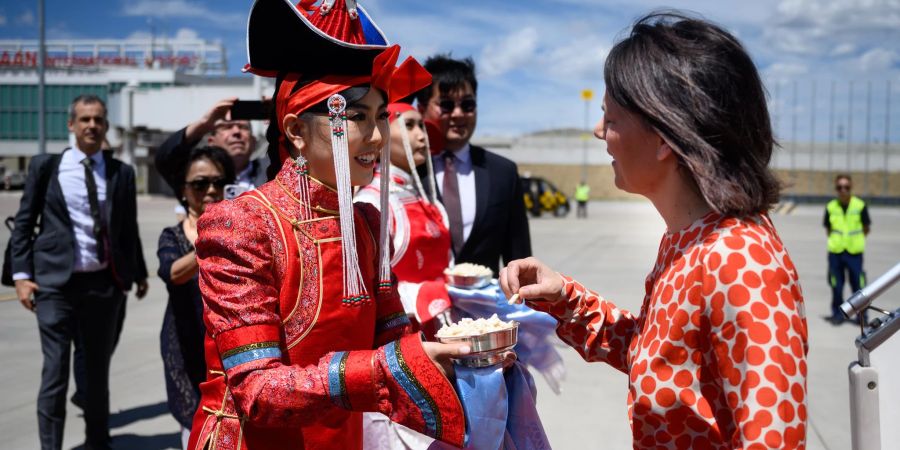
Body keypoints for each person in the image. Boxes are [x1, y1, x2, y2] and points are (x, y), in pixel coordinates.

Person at [500, 13, 809, 449]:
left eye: (610, 118)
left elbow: (772, 440)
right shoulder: (688, 241)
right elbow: (661, 358)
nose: (598, 132)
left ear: (665, 137)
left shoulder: (742, 260)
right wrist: (565, 300)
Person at [187, 2, 468, 449]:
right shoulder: (242, 223)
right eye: (355, 117)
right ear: (297, 130)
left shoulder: (368, 223)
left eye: (380, 117)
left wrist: (461, 348)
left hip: (347, 435)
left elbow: (394, 336)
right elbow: (257, 391)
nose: (377, 139)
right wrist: (389, 368)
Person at [10, 94, 149, 450]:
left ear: (105, 127)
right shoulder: (47, 167)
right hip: (54, 286)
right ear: (71, 125)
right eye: (85, 120)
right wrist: (21, 276)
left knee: (97, 376)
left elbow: (127, 228)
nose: (92, 126)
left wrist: (139, 273)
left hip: (103, 286)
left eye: (98, 120)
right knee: (55, 373)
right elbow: (24, 225)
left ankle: (97, 443)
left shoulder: (121, 172)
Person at [416, 55, 531, 276]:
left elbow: (518, 256)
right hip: (420, 307)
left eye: (467, 105)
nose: (458, 114)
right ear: (422, 109)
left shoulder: (503, 172)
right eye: (446, 105)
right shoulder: (406, 171)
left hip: (487, 307)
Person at [157, 146, 235, 449]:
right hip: (186, 348)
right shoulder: (172, 236)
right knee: (196, 433)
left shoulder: (241, 229)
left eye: (219, 182)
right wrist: (208, 240)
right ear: (184, 190)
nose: (211, 191)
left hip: (233, 347)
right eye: (200, 184)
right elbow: (173, 273)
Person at [356, 102, 453, 338]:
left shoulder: (425, 198)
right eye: (409, 125)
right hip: (402, 338)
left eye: (421, 126)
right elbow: (368, 291)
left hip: (443, 326)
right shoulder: (372, 201)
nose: (422, 136)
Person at [155, 97, 267, 192]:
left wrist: (282, 112)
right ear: (211, 142)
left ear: (254, 141)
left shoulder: (272, 172)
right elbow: (165, 159)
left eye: (243, 127)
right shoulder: (195, 173)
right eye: (227, 127)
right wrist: (203, 124)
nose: (236, 132)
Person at [824, 174, 870, 324]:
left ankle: (862, 316)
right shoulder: (831, 206)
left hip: (854, 252)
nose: (843, 190)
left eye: (846, 187)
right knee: (836, 284)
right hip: (836, 252)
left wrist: (855, 240)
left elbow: (866, 228)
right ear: (836, 189)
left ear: (851, 188)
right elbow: (828, 228)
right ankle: (838, 314)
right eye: (839, 187)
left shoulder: (860, 205)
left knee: (859, 285)